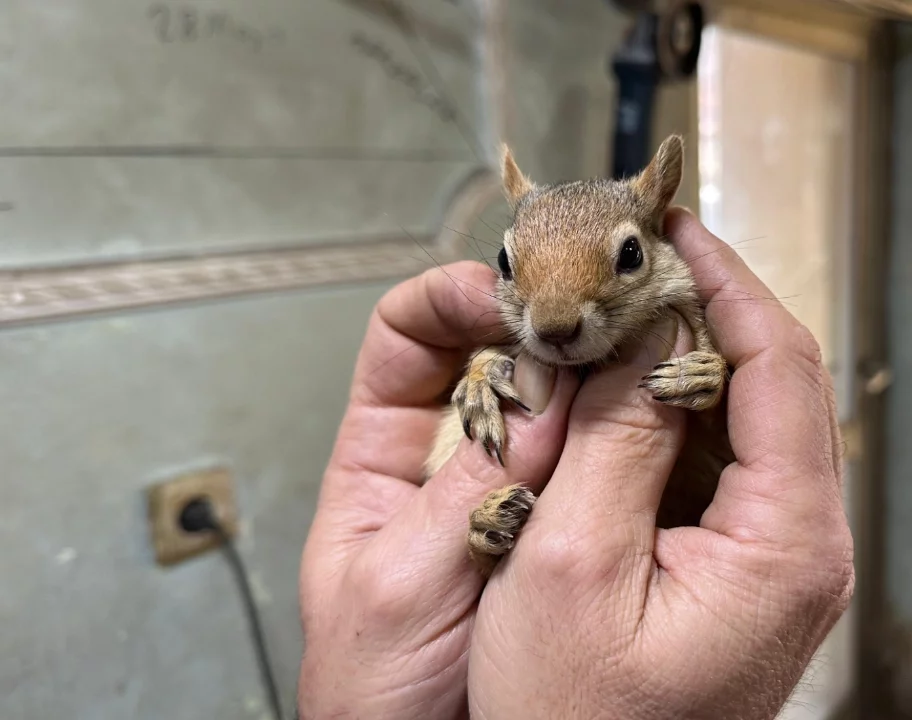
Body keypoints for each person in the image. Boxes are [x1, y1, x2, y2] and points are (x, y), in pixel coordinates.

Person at [296, 208, 855, 719]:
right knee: (471, 425)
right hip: (515, 573)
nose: (555, 322)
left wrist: (710, 377)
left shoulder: (685, 322)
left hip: (651, 543)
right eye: (511, 269)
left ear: (653, 250)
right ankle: (489, 538)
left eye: (628, 258)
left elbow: (718, 426)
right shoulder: (511, 340)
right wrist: (481, 374)